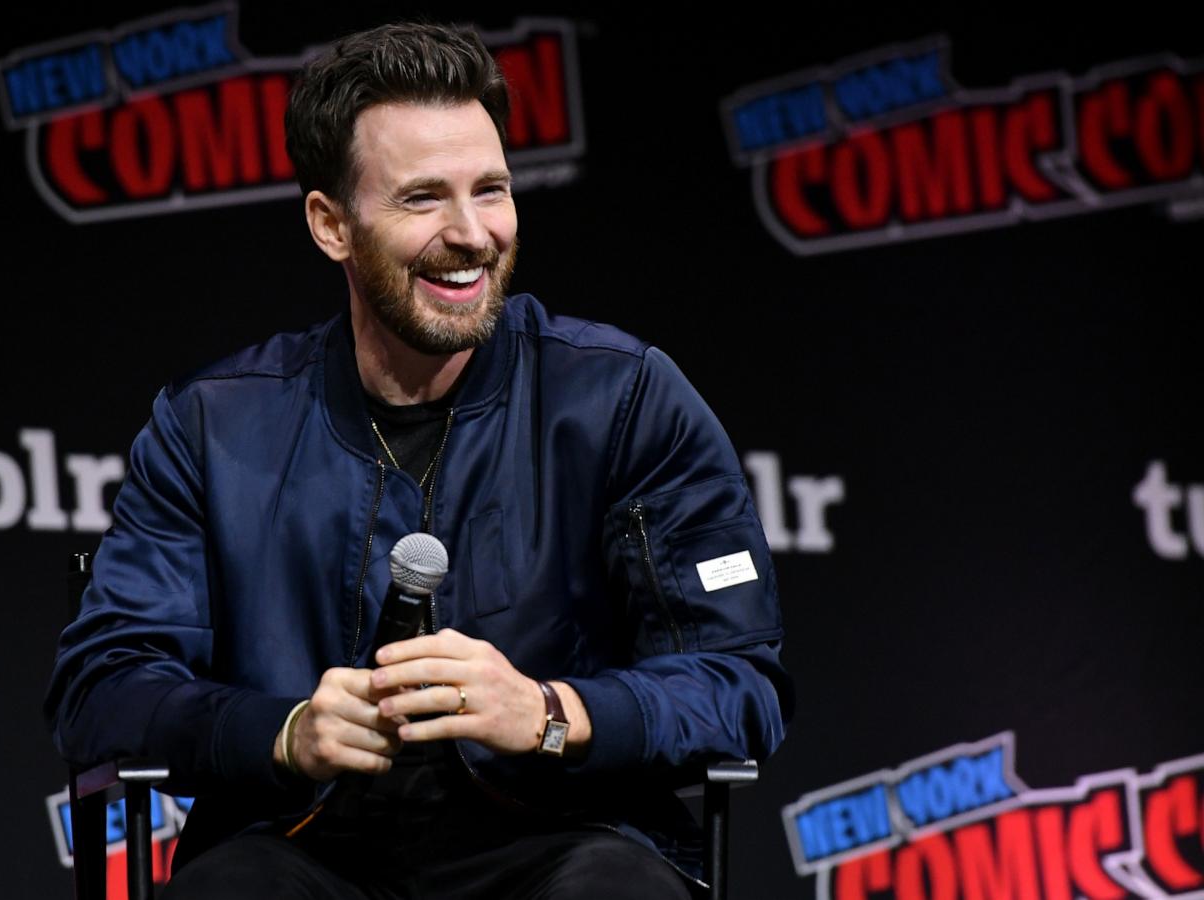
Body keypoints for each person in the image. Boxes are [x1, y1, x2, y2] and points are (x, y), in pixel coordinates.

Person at [45, 20, 792, 899]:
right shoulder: (210, 425)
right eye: (423, 198)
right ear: (331, 224)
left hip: (569, 840)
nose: (473, 233)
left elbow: (739, 680)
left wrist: (553, 714)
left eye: (492, 190)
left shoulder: (627, 398)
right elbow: (103, 688)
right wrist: (285, 733)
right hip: (299, 845)